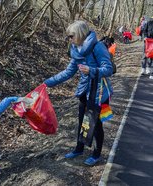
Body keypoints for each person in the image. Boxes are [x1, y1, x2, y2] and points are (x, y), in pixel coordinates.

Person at [44, 20, 113, 166]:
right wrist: (47, 83)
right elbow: (68, 72)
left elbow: (108, 69)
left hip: (98, 91)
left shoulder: (98, 47)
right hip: (84, 91)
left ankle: (96, 154)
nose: (69, 39)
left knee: (95, 123)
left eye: (71, 36)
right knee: (83, 121)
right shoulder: (75, 50)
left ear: (80, 34)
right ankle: (79, 149)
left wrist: (92, 70)